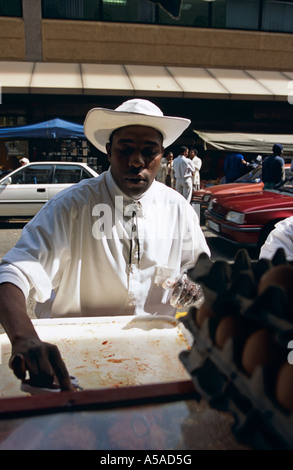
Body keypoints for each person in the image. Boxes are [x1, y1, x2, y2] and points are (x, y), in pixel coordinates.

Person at [0, 98, 210, 391]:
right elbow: (12, 273)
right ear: (108, 151)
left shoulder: (177, 208)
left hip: (156, 357)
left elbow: (199, 269)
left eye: (149, 152)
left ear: (163, 156)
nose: (137, 161)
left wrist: (193, 284)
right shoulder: (71, 206)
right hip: (72, 360)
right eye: (125, 150)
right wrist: (23, 337)